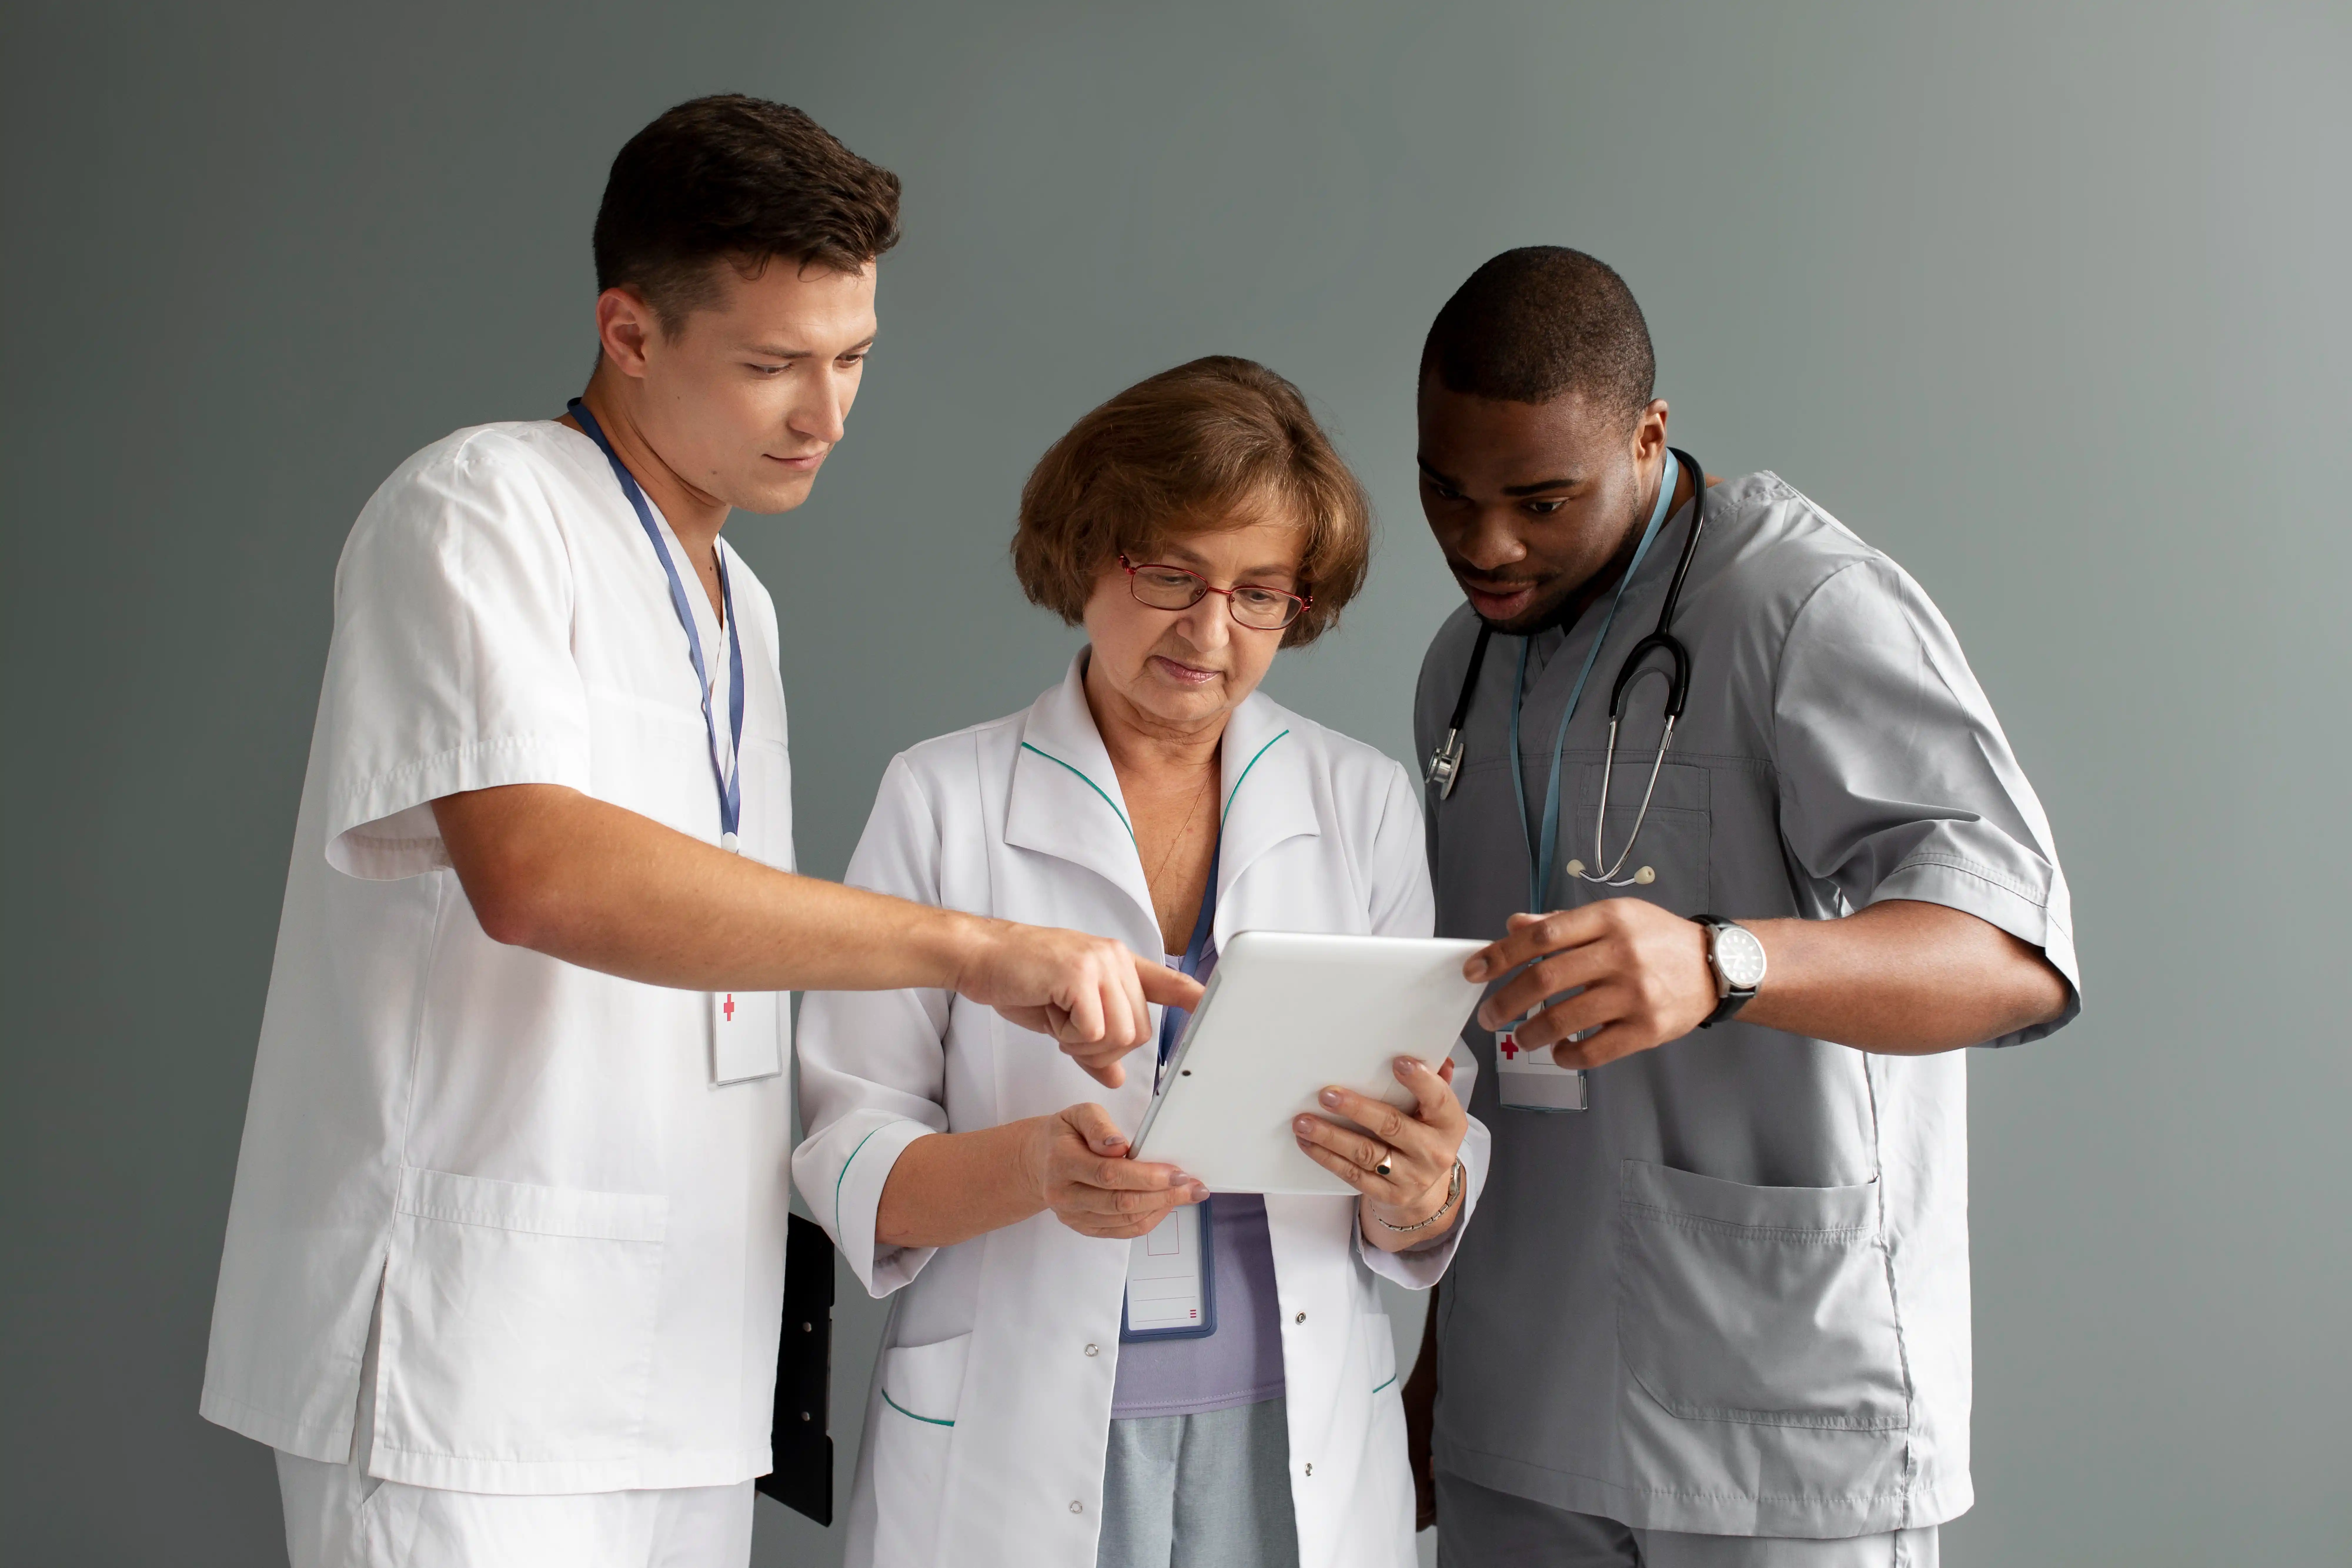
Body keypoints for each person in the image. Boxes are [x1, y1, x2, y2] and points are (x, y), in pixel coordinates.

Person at [200, 96, 1197, 1568]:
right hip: (467, 1366)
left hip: (681, 1364)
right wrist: (971, 949)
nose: (828, 413)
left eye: (853, 356)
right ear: (630, 332)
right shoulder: (475, 509)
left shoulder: (746, 610)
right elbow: (540, 876)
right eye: (774, 364)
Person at [1400, 248, 2080, 1567]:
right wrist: (1436, 1378)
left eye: (1541, 500)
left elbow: (2013, 956)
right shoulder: (1462, 663)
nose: (1485, 544)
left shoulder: (1802, 607)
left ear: (1647, 437)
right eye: (1445, 490)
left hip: (1779, 1417)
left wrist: (1726, 962)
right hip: (1517, 1409)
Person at [793, 356, 1490, 1568]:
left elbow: (1433, 1131)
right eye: (1171, 573)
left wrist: (1421, 1186)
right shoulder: (943, 798)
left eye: (1259, 591)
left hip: (1290, 1441)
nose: (1209, 631)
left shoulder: (1360, 801)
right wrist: (1031, 1170)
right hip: (1012, 1441)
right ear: (1088, 551)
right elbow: (844, 1150)